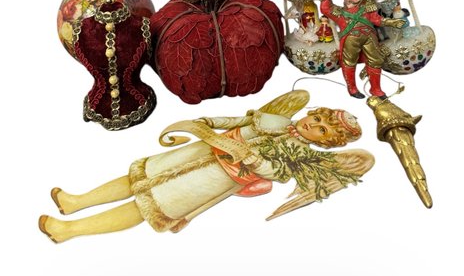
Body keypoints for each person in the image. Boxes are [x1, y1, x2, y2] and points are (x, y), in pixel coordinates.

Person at [39, 91, 374, 243]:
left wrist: (254, 159)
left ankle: (69, 230)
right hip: (205, 148)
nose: (313, 125)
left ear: (326, 142)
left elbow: (277, 173)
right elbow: (242, 120)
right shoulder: (279, 120)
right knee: (142, 174)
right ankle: (76, 201)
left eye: (322, 130)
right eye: (317, 118)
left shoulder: (300, 154)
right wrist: (211, 122)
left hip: (216, 177)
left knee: (151, 203)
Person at [319, 0, 405, 99]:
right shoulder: (340, 13)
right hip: (350, 40)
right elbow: (325, 8)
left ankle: (376, 89)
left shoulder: (367, 8)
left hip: (369, 37)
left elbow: (377, 19)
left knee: (376, 60)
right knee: (349, 62)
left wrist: (392, 22)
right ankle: (352, 88)